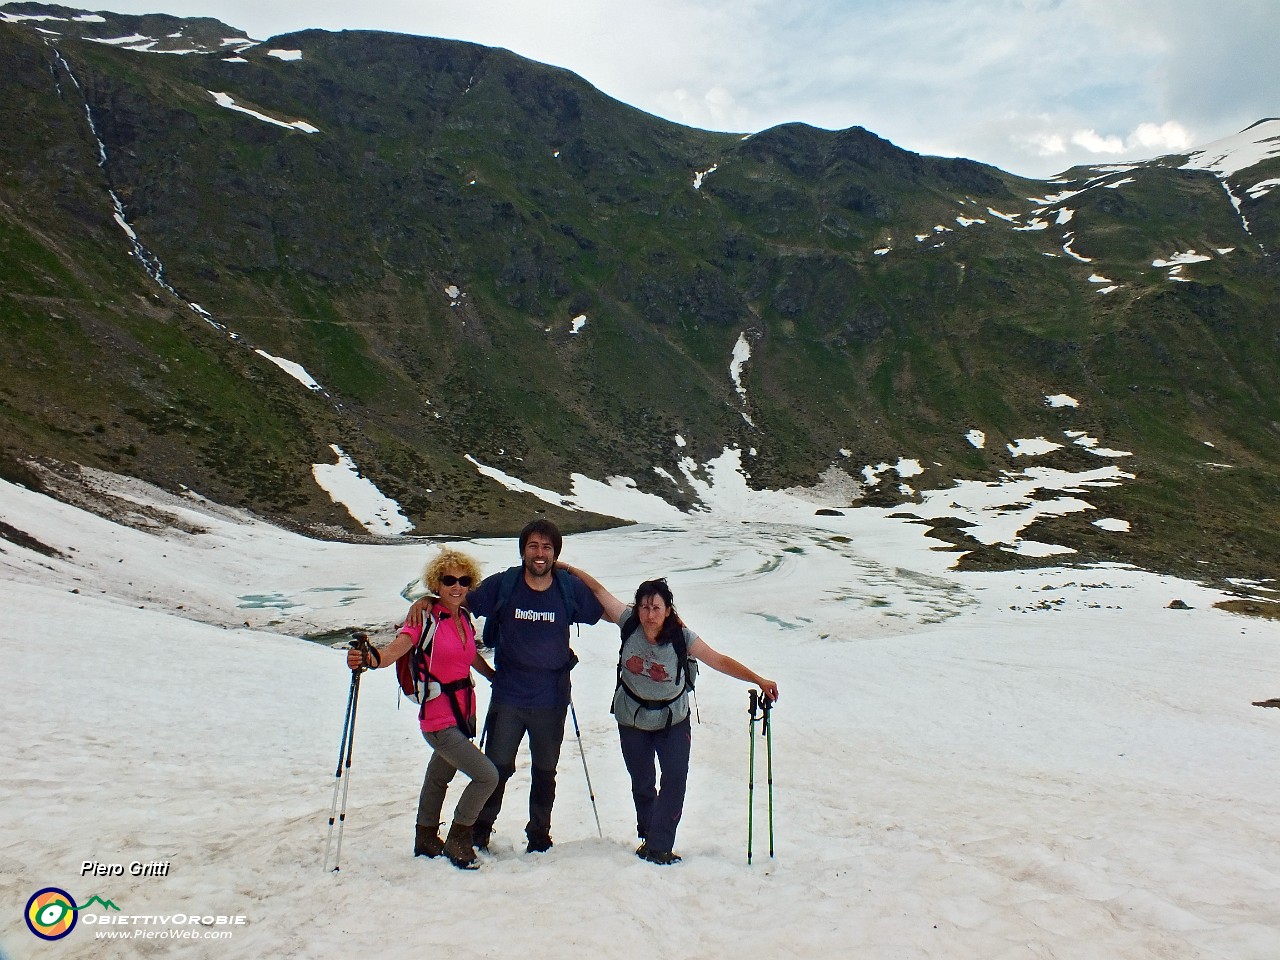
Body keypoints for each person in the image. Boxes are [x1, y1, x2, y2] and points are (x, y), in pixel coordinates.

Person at [557, 563, 779, 865]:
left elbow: (719, 660)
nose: (650, 614)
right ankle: (649, 833)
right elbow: (597, 591)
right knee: (642, 780)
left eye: (656, 607)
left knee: (675, 779)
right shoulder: (628, 621)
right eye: (645, 607)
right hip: (632, 717)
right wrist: (568, 569)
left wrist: (759, 680)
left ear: (667, 609)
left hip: (672, 719)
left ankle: (659, 846)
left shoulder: (682, 637)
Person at [407, 519, 606, 854]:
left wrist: (572, 570)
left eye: (547, 547)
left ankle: (539, 835)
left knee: (545, 772)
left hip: (551, 698)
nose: (540, 554)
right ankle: (478, 832)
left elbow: (598, 606)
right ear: (523, 550)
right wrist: (427, 600)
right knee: (496, 769)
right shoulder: (505, 584)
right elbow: (458, 599)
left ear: (555, 553)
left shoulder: (567, 588)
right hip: (509, 695)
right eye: (533, 546)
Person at [347, 547, 497, 869]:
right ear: (436, 584)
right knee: (487, 776)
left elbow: (468, 655)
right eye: (448, 580)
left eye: (463, 579)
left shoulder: (463, 619)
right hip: (438, 719)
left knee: (438, 776)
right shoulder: (423, 617)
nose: (457, 586)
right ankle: (458, 840)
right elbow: (394, 652)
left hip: (463, 713)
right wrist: (369, 659)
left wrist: (492, 676)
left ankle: (425, 838)